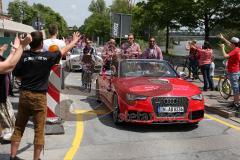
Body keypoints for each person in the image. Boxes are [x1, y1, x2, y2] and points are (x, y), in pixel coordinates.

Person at [10, 31, 80, 160]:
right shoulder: (47, 56)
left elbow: (15, 74)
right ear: (42, 44)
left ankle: (12, 157)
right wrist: (74, 41)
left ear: (30, 43)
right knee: (39, 130)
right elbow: (63, 50)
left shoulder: (23, 56)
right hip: (39, 97)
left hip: (24, 94)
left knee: (19, 126)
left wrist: (26, 79)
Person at [219, 33, 240, 109]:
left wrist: (222, 48)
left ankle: (236, 103)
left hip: (233, 71)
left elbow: (225, 56)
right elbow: (229, 43)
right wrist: (223, 38)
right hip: (236, 71)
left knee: (235, 88)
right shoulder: (237, 48)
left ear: (234, 44)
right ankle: (235, 102)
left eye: (231, 43)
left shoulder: (235, 50)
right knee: (236, 87)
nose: (230, 43)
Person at [0, 44, 16, 141]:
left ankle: (3, 134)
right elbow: (8, 66)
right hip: (1, 95)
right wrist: (15, 51)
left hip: (3, 94)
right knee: (6, 118)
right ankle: (5, 135)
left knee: (7, 116)